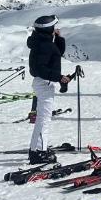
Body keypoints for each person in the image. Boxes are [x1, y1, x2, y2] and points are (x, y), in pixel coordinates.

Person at [27, 14, 71, 163]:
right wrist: (59, 77)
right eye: (53, 27)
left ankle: (38, 149)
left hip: (44, 82)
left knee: (43, 118)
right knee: (43, 120)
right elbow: (40, 69)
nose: (55, 29)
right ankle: (38, 152)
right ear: (48, 29)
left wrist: (58, 37)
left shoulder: (42, 42)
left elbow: (57, 53)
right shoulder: (44, 45)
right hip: (44, 83)